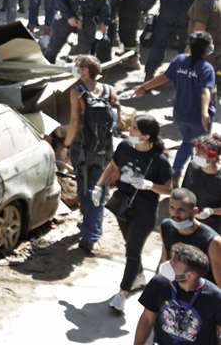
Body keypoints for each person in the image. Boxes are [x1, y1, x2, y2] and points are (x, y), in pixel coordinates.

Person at [99, 113, 175, 313]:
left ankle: (122, 294)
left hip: (145, 211)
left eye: (133, 129)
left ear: (146, 136)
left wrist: (150, 185)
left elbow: (169, 189)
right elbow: (113, 165)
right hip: (122, 205)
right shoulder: (124, 147)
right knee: (130, 246)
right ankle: (139, 276)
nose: (129, 131)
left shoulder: (159, 161)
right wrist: (100, 185)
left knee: (132, 252)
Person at [134, 31, 215, 180]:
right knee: (200, 149)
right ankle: (194, 179)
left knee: (186, 142)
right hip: (198, 117)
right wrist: (204, 113)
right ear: (206, 49)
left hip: (181, 114)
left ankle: (175, 172)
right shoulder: (206, 68)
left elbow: (164, 77)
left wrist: (144, 87)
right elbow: (205, 92)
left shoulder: (179, 60)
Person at [63, 54, 120, 254]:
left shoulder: (77, 91)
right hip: (104, 149)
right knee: (97, 187)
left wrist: (66, 145)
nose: (75, 69)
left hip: (83, 148)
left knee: (86, 189)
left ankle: (91, 234)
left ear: (85, 71)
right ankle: (90, 226)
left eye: (78, 66)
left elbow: (75, 121)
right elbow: (116, 118)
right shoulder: (109, 90)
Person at [135, 242, 221, 342]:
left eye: (173, 265)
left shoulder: (215, 298)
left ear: (189, 275)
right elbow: (147, 320)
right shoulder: (159, 283)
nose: (168, 266)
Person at [160, 188, 221, 284]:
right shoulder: (166, 227)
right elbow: (164, 258)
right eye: (172, 208)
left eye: (181, 210)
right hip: (173, 291)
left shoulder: (212, 241)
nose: (175, 214)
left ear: (195, 211)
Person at [188, 135, 221, 216]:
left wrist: (211, 211)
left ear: (213, 158)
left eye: (199, 154)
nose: (195, 156)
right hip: (190, 218)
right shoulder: (192, 166)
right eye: (195, 152)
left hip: (211, 224)